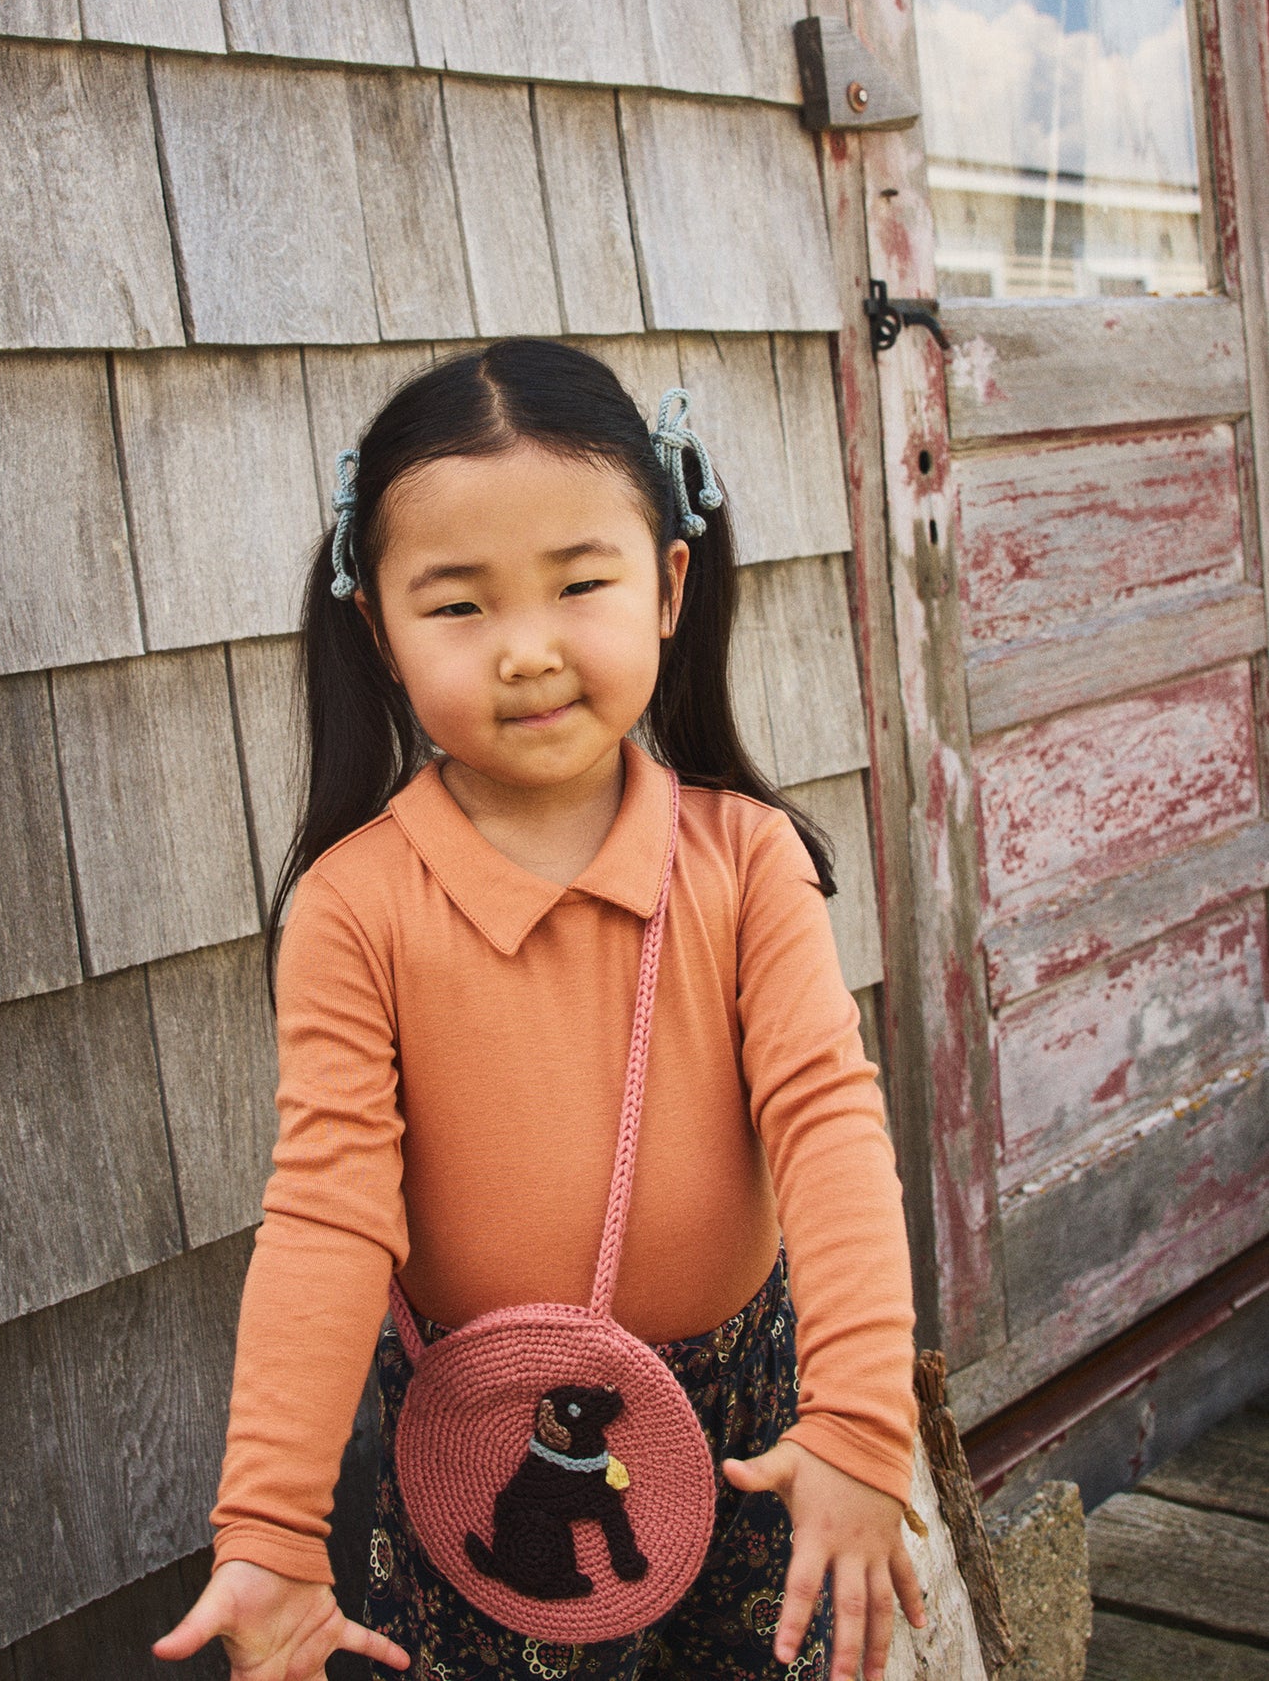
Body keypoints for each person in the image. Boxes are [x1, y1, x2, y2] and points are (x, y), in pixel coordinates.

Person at [155, 339, 925, 1681]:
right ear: (378, 635)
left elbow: (829, 1128)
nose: (525, 651)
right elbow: (328, 1207)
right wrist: (271, 1525)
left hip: (752, 1412)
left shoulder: (746, 866)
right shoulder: (355, 908)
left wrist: (859, 1423)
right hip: (481, 1435)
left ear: (669, 584)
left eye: (579, 584)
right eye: (456, 607)